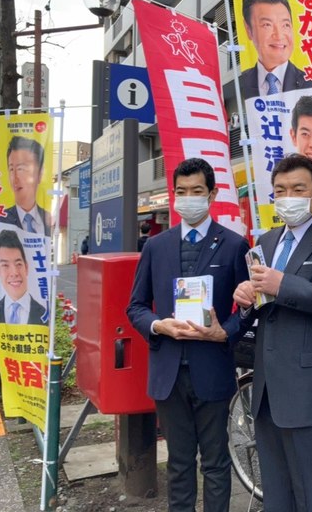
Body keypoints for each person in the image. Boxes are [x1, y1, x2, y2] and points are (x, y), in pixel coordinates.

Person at [233, 154, 312, 512]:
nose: (288, 197)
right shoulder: (266, 241)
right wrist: (246, 299)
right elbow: (263, 304)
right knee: (276, 491)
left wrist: (283, 284)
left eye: (298, 189)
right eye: (281, 190)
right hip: (268, 389)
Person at [126, 158, 250, 512]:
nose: (188, 198)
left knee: (215, 461)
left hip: (211, 368)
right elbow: (135, 306)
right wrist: (158, 324)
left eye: (197, 191)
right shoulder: (156, 246)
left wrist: (223, 333)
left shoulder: (233, 245)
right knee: (178, 464)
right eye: (181, 192)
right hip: (168, 372)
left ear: (212, 194)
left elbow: (246, 307)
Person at [238, 0, 312, 99]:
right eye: (267, 25)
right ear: (248, 30)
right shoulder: (240, 84)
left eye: (285, 25)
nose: (279, 35)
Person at [0, 229, 46, 325]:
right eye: (5, 265)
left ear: (26, 267)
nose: (14, 273)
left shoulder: (44, 314)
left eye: (18, 264)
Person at [0, 136, 51, 236]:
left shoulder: (49, 219)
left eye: (21, 169)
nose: (14, 178)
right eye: (12, 169)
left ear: (40, 173)